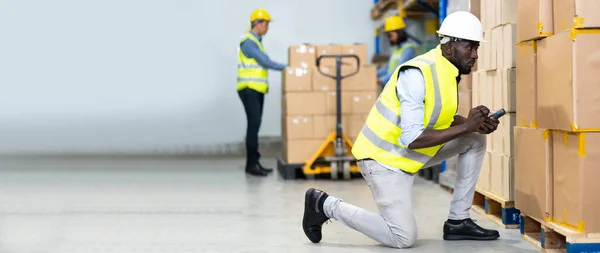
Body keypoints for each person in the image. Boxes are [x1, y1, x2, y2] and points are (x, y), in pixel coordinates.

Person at [301, 11, 501, 248]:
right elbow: (413, 138)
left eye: (477, 48)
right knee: (402, 237)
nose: (475, 55)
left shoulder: (448, 73)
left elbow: (439, 118)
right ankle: (323, 205)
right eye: (470, 47)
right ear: (449, 47)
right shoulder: (416, 74)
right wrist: (467, 126)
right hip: (383, 160)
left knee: (475, 139)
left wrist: (472, 124)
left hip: (406, 155)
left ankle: (458, 221)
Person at [237, 8, 286, 176]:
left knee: (255, 126)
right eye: (266, 24)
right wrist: (288, 68)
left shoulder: (256, 41)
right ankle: (251, 165)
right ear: (257, 24)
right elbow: (265, 62)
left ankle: (254, 162)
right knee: (254, 125)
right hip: (249, 89)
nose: (267, 28)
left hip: (255, 89)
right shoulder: (249, 42)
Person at [376, 16, 418, 87]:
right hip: (394, 85)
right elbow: (387, 68)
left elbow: (398, 69)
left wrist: (382, 80)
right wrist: (372, 73)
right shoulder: (396, 49)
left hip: (403, 87)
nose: (390, 38)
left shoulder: (408, 49)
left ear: (398, 32)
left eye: (390, 35)